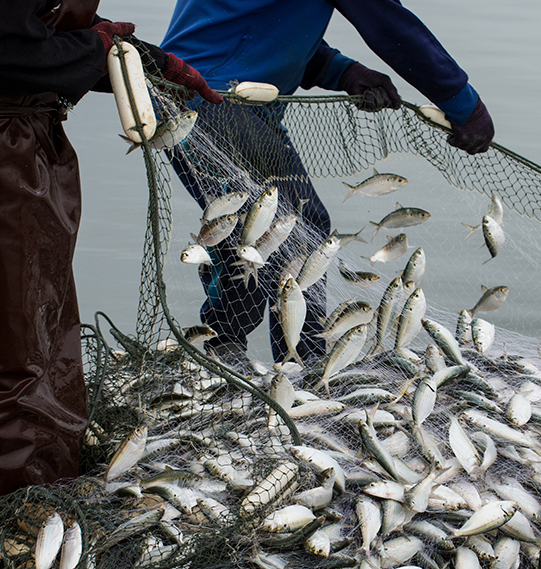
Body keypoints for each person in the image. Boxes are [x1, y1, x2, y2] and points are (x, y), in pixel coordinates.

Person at [161, 0, 495, 367]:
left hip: (198, 93)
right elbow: (390, 25)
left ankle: (256, 356)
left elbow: (262, 23)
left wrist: (342, 71)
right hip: (214, 101)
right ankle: (285, 363)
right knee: (285, 233)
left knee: (273, 231)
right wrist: (465, 104)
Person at [0, 0, 221, 495]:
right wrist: (97, 47)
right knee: (16, 339)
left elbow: (40, 38)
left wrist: (147, 60)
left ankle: (45, 477)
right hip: (6, 154)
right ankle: (22, 495)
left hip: (27, 143)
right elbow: (12, 54)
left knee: (41, 322)